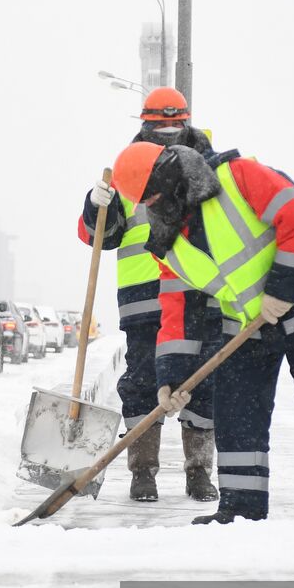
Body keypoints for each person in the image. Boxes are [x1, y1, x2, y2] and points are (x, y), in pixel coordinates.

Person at [109, 140, 294, 525]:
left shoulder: (237, 176)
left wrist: (283, 289)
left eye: (159, 195)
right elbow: (178, 312)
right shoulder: (167, 242)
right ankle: (241, 509)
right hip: (248, 327)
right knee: (236, 413)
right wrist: (171, 378)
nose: (158, 206)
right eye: (149, 202)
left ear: (174, 175)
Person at [78, 87, 217, 503]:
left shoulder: (209, 165)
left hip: (197, 289)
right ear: (145, 126)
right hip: (145, 296)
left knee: (202, 382)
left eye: (175, 125)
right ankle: (143, 472)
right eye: (160, 127)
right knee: (142, 383)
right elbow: (97, 236)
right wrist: (94, 205)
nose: (168, 134)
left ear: (187, 122)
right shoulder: (127, 169)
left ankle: (198, 472)